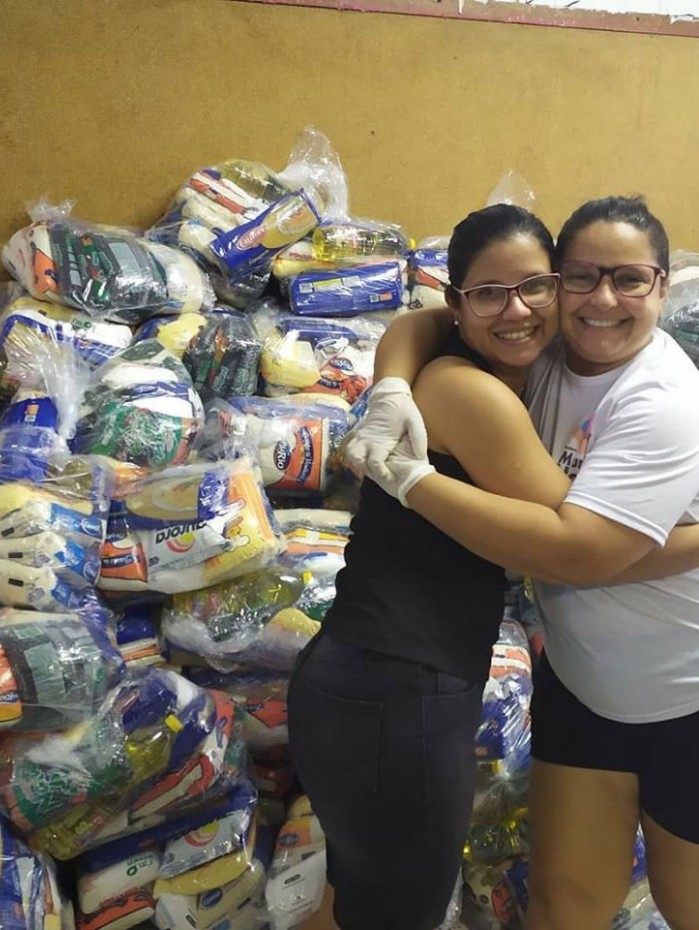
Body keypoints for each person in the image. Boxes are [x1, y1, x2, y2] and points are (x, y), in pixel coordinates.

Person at [348, 196, 699, 930]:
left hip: (685, 699)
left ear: (663, 287)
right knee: (562, 906)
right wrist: (387, 386)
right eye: (581, 277)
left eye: (629, 279)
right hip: (582, 688)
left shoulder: (664, 400)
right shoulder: (537, 351)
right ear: (555, 284)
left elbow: (582, 555)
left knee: (685, 903)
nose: (603, 299)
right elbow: (429, 320)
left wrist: (412, 480)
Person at [287, 203, 566, 930]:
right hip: (396, 695)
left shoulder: (458, 357)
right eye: (489, 294)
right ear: (459, 304)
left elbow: (415, 322)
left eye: (535, 286)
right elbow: (574, 544)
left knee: (358, 900)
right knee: (398, 912)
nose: (516, 309)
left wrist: (389, 379)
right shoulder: (465, 391)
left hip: (369, 681)